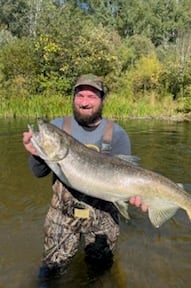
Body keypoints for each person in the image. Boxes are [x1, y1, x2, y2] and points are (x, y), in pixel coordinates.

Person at [23, 74, 147, 279]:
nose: (85, 102)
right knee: (51, 271)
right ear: (73, 98)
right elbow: (38, 172)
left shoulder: (117, 134)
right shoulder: (58, 126)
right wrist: (36, 154)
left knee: (99, 272)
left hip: (103, 215)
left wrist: (136, 195)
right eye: (80, 95)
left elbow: (129, 178)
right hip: (62, 213)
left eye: (92, 96)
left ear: (102, 100)